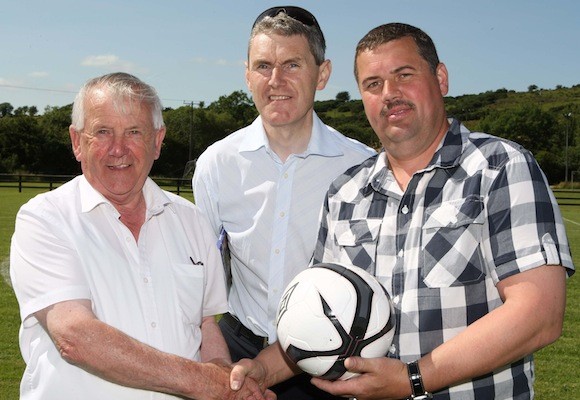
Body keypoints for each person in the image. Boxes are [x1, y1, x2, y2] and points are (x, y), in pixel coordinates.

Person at [230, 22, 575, 399]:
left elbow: (539, 313)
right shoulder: (346, 193)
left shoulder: (499, 168)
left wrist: (414, 378)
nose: (389, 94)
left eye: (404, 75)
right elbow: (319, 313)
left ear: (440, 78)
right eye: (373, 84)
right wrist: (262, 369)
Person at [9, 72, 269, 400]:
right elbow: (75, 336)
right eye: (102, 132)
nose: (118, 149)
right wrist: (205, 382)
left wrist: (226, 381)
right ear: (77, 141)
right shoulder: (45, 219)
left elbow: (205, 324)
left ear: (157, 141)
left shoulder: (190, 220)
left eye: (134, 132)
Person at [192, 6, 375, 400]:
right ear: (247, 75)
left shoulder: (361, 165)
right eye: (263, 65)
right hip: (239, 347)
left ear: (322, 74)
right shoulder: (217, 163)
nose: (276, 80)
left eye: (292, 64)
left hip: (331, 358)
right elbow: (198, 274)